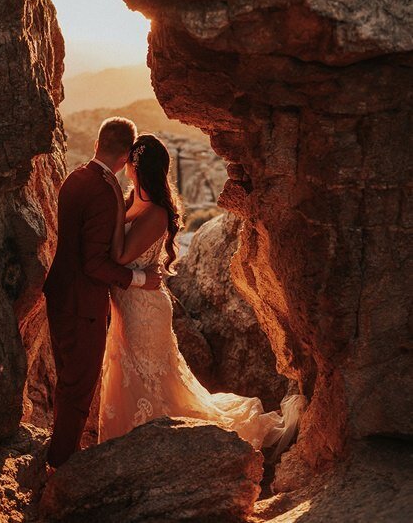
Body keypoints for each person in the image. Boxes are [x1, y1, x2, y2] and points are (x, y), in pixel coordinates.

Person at [99, 133, 306, 456]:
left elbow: (122, 256)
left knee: (149, 379)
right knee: (127, 371)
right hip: (128, 304)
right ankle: (127, 446)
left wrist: (110, 213)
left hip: (144, 310)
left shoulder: (155, 213)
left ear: (138, 167)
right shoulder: (131, 201)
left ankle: (156, 449)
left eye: (130, 159)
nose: (125, 164)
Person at [43, 118, 163, 468]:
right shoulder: (103, 190)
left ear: (98, 143)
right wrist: (140, 280)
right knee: (79, 389)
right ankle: (61, 465)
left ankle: (58, 452)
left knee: (67, 382)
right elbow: (95, 264)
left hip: (61, 294)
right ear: (127, 155)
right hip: (83, 305)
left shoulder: (75, 178)